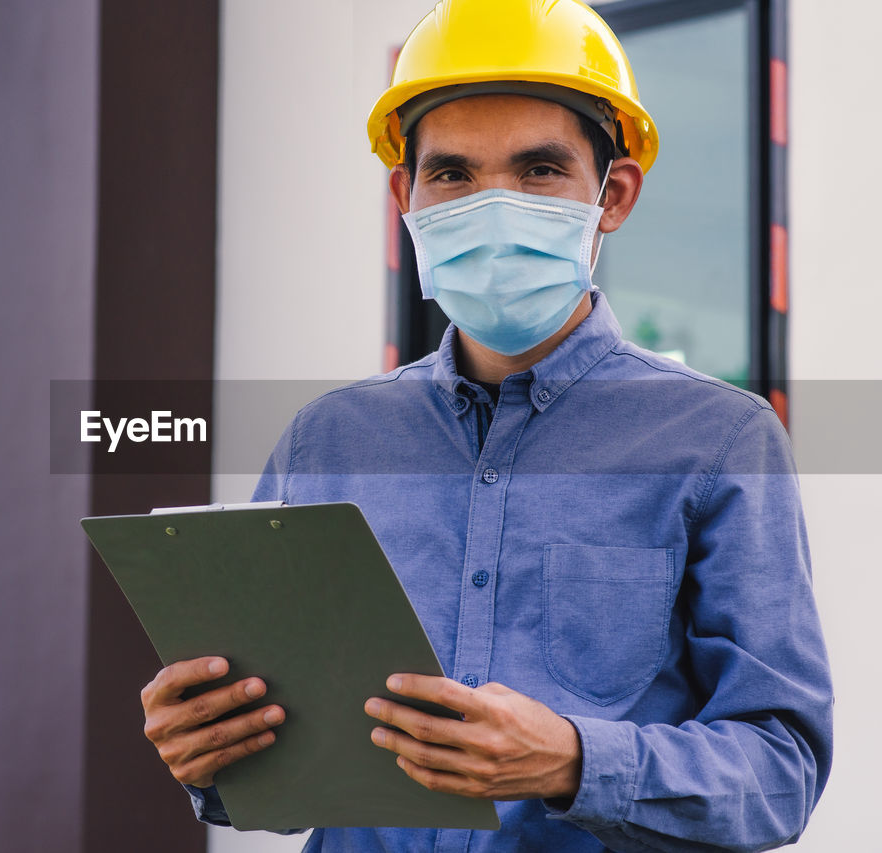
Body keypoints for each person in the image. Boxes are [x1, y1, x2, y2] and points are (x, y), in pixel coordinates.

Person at [138, 1, 833, 850]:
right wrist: (212, 753)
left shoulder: (721, 439)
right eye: (454, 174)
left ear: (611, 195)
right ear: (407, 193)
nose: (492, 205)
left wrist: (573, 761)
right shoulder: (329, 439)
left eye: (539, 170)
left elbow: (780, 773)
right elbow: (282, 787)